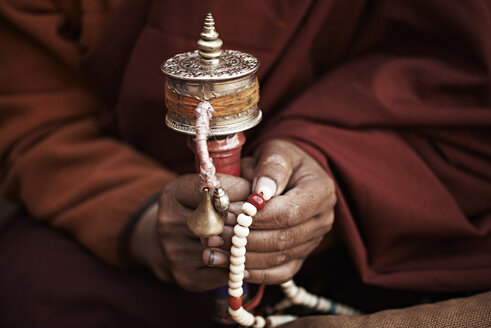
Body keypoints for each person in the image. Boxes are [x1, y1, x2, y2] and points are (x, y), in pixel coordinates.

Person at [0, 0, 490, 327]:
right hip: (134, 179)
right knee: (32, 283)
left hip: (381, 194)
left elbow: (463, 78)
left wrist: (328, 164)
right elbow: (35, 113)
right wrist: (148, 223)